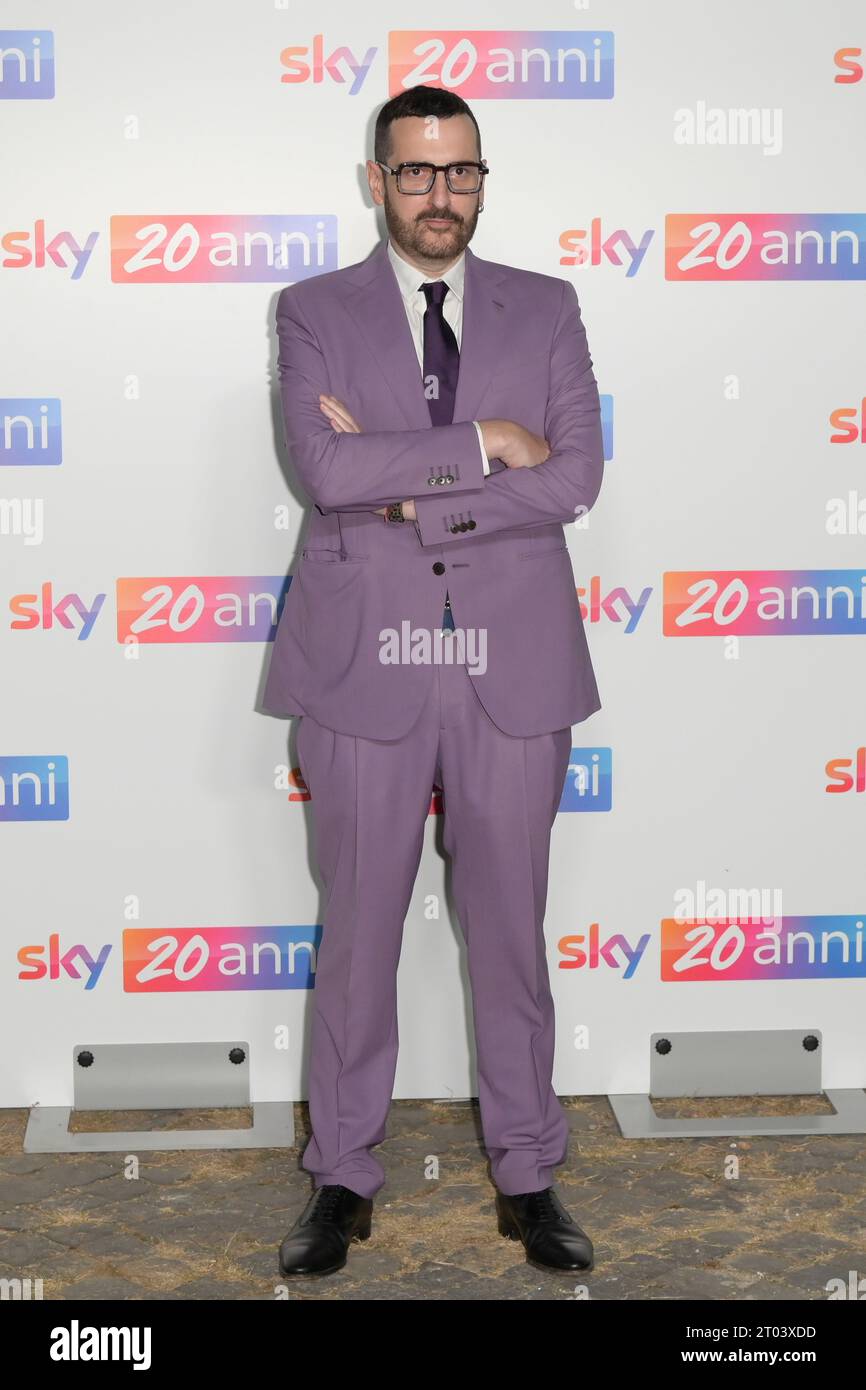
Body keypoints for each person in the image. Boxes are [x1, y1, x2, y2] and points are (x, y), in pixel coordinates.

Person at [262, 84, 604, 1277]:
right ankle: (341, 1176)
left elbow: (570, 481)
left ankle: (528, 1169)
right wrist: (478, 445)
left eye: (459, 171)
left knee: (508, 932)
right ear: (375, 180)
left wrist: (401, 489)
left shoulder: (546, 306)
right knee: (355, 934)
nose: (438, 194)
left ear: (479, 176)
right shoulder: (310, 309)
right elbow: (320, 464)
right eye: (414, 172)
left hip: (512, 662)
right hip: (364, 664)